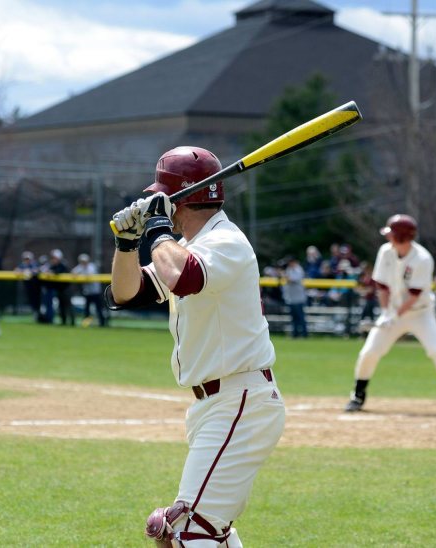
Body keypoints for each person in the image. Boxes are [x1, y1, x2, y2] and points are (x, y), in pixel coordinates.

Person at [104, 146, 285, 546]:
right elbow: (125, 293)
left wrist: (156, 228)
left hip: (240, 400)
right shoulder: (188, 245)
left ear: (180, 199)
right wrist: (127, 244)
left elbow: (184, 277)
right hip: (216, 405)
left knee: (183, 528)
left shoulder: (225, 241)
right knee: (209, 529)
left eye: (163, 198)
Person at [344, 214, 436, 415]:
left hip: (421, 313)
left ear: (401, 236)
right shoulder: (386, 251)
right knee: (369, 351)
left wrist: (395, 315)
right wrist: (386, 312)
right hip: (392, 311)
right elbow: (382, 286)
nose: (388, 238)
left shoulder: (422, 258)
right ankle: (358, 395)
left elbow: (414, 295)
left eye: (392, 234)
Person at [72, 253, 108, 327]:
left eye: (84, 261)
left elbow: (89, 275)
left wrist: (80, 274)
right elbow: (73, 272)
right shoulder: (80, 267)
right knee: (87, 310)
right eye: (82, 261)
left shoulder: (91, 267)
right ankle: (86, 324)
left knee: (98, 309)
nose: (83, 263)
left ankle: (102, 323)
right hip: (87, 292)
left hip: (95, 292)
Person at [280, 256, 308, 338]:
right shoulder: (289, 269)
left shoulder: (298, 269)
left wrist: (283, 274)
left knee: (300, 317)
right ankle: (295, 334)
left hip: (299, 298)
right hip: (291, 298)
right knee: (293, 318)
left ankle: (304, 334)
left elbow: (292, 280)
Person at [46, 249, 75, 326]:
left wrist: (52, 272)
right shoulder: (52, 266)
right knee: (61, 306)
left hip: (66, 288)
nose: (53, 260)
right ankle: (63, 321)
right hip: (59, 289)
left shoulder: (63, 264)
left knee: (68, 306)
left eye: (55, 258)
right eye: (53, 258)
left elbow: (59, 271)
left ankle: (72, 322)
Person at [15, 251, 42, 321]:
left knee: (37, 301)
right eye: (25, 259)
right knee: (31, 300)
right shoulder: (22, 265)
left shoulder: (34, 264)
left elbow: (37, 270)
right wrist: (23, 271)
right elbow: (16, 270)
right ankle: (35, 313)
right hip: (28, 286)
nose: (27, 260)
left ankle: (39, 314)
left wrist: (30, 271)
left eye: (28, 259)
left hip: (36, 286)